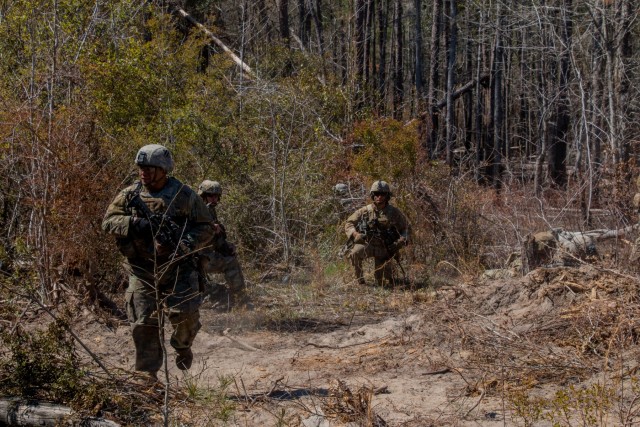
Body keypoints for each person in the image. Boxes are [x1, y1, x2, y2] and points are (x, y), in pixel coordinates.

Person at [102, 144, 213, 379]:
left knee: (185, 316)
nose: (144, 172)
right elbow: (108, 221)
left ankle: (183, 346)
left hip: (179, 267)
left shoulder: (184, 195)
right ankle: (147, 375)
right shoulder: (129, 195)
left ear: (163, 170)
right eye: (141, 167)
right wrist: (135, 224)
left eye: (150, 168)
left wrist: (184, 244)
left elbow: (205, 227)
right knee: (142, 322)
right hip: (141, 268)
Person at [344, 180, 410, 286]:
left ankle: (386, 277)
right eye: (376, 194)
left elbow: (406, 228)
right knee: (355, 253)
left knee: (384, 283)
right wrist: (355, 234)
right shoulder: (365, 211)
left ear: (387, 196)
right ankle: (360, 281)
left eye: (382, 194)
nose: (379, 196)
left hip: (385, 248)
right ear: (372, 195)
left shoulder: (394, 212)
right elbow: (349, 223)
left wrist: (402, 240)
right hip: (368, 245)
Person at [197, 180, 247, 308]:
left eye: (216, 196)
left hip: (203, 256)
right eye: (210, 196)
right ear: (203, 195)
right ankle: (241, 300)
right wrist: (210, 229)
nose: (214, 199)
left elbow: (216, 239)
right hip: (196, 258)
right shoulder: (197, 211)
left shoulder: (208, 210)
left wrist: (226, 245)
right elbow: (196, 236)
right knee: (231, 263)